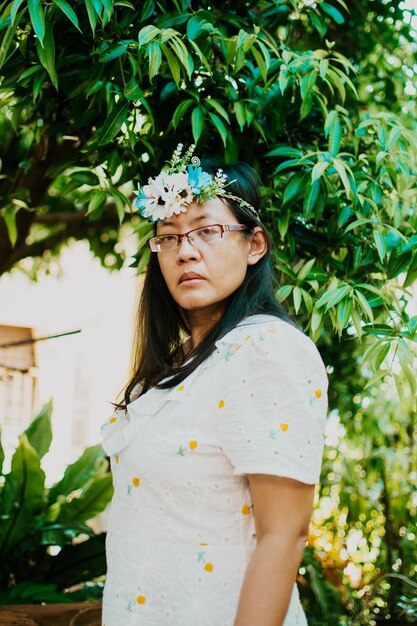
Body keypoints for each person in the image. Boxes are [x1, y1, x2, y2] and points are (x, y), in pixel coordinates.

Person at [101, 144, 328, 626]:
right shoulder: (174, 367)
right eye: (168, 237)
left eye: (208, 230)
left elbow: (284, 534)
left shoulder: (266, 349)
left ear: (255, 245)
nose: (186, 250)